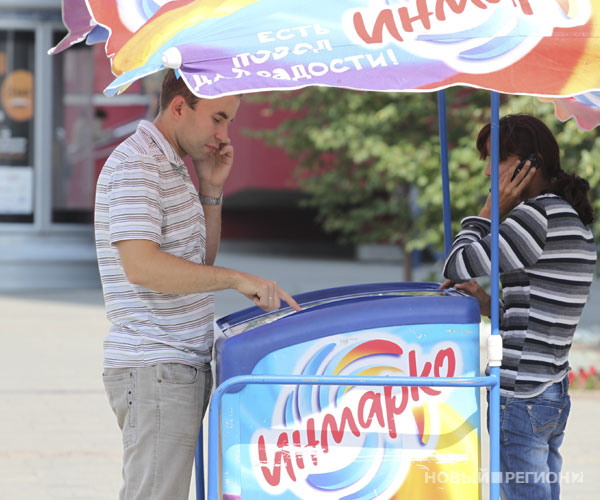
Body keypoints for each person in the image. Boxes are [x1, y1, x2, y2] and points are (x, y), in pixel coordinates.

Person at [94, 70, 301, 500]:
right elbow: (143, 267)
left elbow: (195, 265)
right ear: (178, 108)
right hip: (155, 366)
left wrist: (210, 189)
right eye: (218, 118)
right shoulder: (139, 165)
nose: (224, 134)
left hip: (173, 366)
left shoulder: (171, 164)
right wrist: (236, 279)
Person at [440, 114, 596, 500]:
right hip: (550, 389)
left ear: (529, 164)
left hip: (521, 393)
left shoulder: (534, 216)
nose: (490, 172)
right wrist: (487, 303)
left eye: (497, 160)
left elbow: (454, 263)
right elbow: (538, 318)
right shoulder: (568, 216)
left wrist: (490, 209)